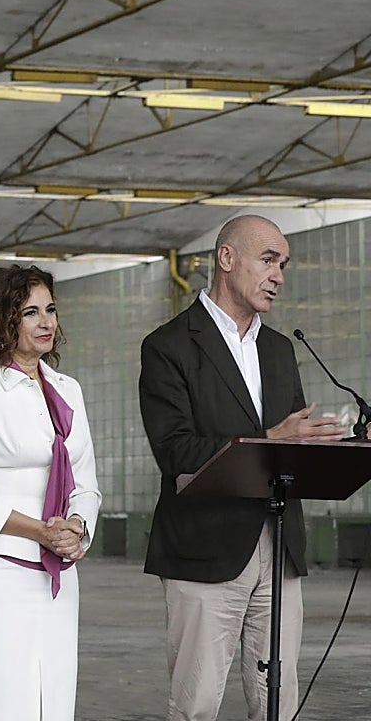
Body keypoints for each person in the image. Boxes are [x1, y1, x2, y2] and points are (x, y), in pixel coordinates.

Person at [139, 214, 345, 721]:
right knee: (198, 702)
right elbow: (175, 452)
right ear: (226, 259)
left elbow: (291, 447)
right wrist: (271, 438)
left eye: (284, 264)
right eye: (268, 259)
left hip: (279, 548)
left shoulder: (280, 349)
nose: (279, 274)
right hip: (204, 548)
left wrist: (334, 446)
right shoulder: (168, 346)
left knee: (278, 701)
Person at [0, 264, 101, 720]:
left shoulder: (69, 390)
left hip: (57, 572)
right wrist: (38, 531)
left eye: (50, 310)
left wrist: (76, 529)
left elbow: (86, 483)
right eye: (31, 312)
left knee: (54, 698)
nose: (47, 322)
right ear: (2, 320)